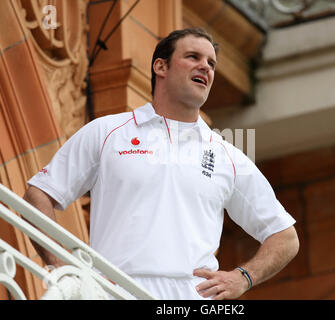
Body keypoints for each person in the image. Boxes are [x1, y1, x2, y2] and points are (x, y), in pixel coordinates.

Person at [23, 28, 299, 300]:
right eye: (193, 57)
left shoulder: (227, 156)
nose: (205, 66)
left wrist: (244, 277)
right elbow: (38, 195)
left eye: (211, 63)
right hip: (112, 292)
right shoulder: (107, 132)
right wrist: (61, 267)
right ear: (160, 66)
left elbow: (285, 237)